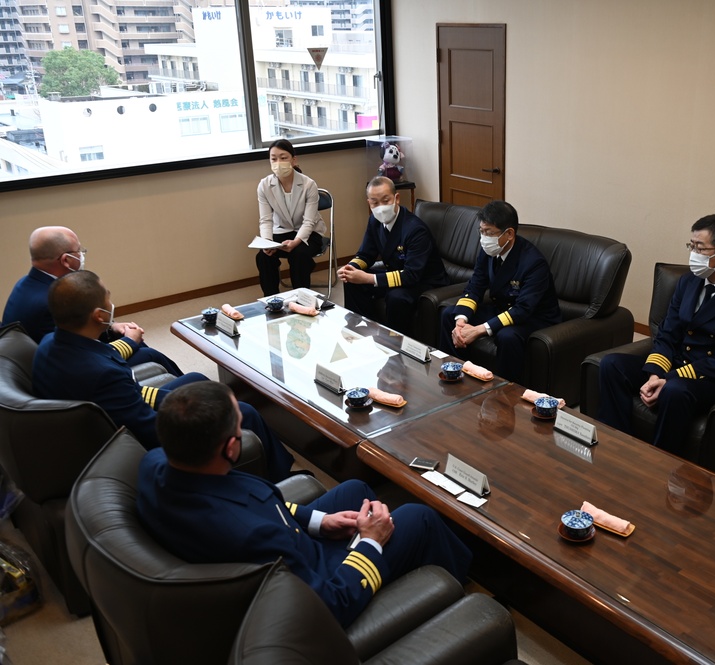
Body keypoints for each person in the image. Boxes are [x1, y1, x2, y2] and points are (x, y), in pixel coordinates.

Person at [137, 381, 472, 628]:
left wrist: (319, 522)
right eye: (240, 426)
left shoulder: (154, 464)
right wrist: (370, 542)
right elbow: (331, 603)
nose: (243, 427)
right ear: (230, 450)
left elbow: (257, 505)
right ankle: (454, 592)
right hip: (318, 579)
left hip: (285, 541)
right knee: (418, 516)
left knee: (354, 489)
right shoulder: (253, 535)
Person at [32, 270, 294, 481]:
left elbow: (102, 363)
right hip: (131, 438)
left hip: (115, 407)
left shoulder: (49, 343)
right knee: (244, 411)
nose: (112, 303)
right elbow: (149, 430)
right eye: (108, 298)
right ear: (99, 315)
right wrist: (192, 414)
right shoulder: (103, 375)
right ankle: (279, 478)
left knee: (196, 380)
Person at [597, 214, 715, 453]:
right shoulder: (687, 282)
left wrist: (668, 379)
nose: (693, 253)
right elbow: (668, 334)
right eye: (691, 245)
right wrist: (654, 375)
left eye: (700, 248)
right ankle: (617, 445)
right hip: (676, 367)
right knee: (611, 365)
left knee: (675, 390)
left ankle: (659, 459)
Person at [2, 225, 183, 375]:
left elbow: (75, 329)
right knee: (149, 354)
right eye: (79, 251)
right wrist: (129, 342)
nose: (81, 255)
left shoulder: (28, 283)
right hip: (69, 373)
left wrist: (111, 327)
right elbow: (80, 355)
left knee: (128, 337)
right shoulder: (52, 301)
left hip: (59, 357)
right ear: (66, 260)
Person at [438, 200, 561, 383]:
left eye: (489, 233)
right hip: (503, 309)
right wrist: (461, 323)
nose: (483, 238)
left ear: (509, 233)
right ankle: (455, 376)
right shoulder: (489, 252)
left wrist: (479, 330)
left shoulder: (533, 263)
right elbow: (475, 287)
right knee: (450, 314)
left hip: (534, 318)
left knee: (507, 336)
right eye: (481, 231)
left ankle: (505, 393)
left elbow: (523, 310)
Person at [337, 176, 448, 336]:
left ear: (396, 198)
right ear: (369, 203)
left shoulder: (415, 229)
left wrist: (368, 278)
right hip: (398, 274)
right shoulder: (374, 221)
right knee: (352, 281)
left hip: (424, 281)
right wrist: (351, 268)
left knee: (396, 296)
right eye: (375, 202)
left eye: (385, 200)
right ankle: (362, 330)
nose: (380, 207)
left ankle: (394, 343)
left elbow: (412, 275)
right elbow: (365, 254)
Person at [256, 139, 328, 296]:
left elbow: (309, 221)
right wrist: (267, 242)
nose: (278, 163)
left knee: (299, 255)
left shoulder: (309, 184)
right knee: (263, 256)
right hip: (282, 231)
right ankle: (272, 299)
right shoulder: (264, 185)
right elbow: (265, 219)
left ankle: (302, 298)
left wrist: (296, 241)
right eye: (273, 159)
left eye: (283, 157)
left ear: (294, 160)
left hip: (310, 233)